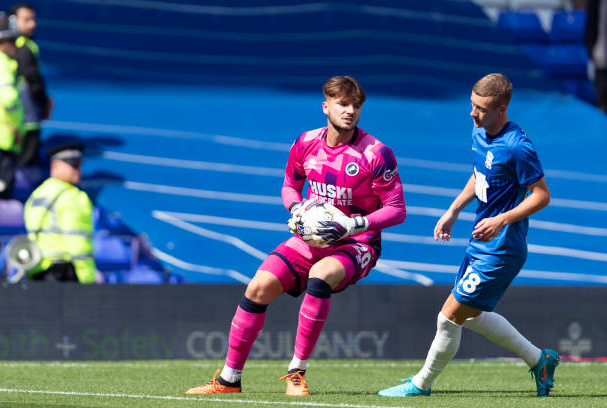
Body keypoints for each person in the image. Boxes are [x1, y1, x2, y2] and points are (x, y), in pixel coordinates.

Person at [185, 76, 406, 396]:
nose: (350, 111)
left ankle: (296, 373)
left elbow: (397, 210)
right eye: (343, 104)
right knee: (258, 287)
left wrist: (352, 225)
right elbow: (290, 184)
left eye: (356, 106)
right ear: (325, 106)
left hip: (357, 243)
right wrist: (297, 210)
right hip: (310, 238)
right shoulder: (306, 143)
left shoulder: (376, 153)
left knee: (320, 276)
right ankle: (228, 380)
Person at [378, 73, 558, 398]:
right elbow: (480, 175)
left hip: (502, 249)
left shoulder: (517, 146)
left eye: (481, 108)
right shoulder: (479, 131)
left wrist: (502, 219)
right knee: (470, 316)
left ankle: (421, 384)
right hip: (481, 243)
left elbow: (542, 195)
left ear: (502, 108)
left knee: (449, 317)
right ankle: (539, 360)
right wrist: (453, 210)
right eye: (472, 105)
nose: (472, 114)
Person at [23, 143, 96, 283]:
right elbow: (78, 241)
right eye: (73, 165)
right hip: (65, 273)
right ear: (55, 165)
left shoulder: (37, 194)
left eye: (79, 166)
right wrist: (87, 277)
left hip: (37, 271)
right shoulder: (73, 196)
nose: (78, 170)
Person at [9, 3, 53, 165]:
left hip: (16, 115)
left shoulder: (13, 45)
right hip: (27, 114)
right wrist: (43, 101)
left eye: (33, 19)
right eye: (26, 20)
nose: (32, 24)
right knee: (26, 156)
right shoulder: (23, 47)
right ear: (13, 21)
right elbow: (32, 78)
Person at [0, 11, 24, 198]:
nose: (15, 47)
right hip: (2, 137)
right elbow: (9, 98)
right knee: (1, 190)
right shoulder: (1, 63)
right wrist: (15, 127)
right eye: (13, 41)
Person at [585, 0, 607, 113]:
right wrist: (592, 54)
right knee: (602, 104)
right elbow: (590, 28)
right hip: (601, 60)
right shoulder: (597, 2)